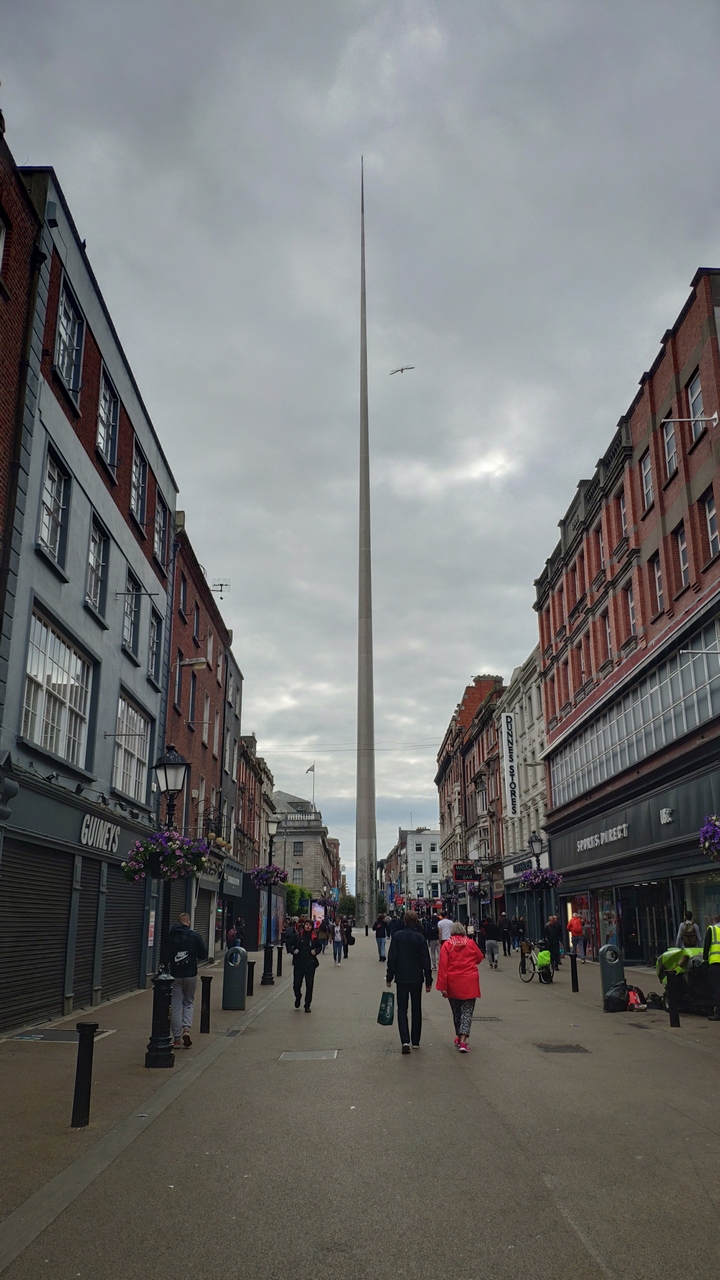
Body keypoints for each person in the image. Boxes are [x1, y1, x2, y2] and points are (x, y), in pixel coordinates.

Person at [385, 910, 432, 1053]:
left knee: (402, 1008)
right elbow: (426, 960)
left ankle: (405, 1040)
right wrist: (428, 979)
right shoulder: (420, 938)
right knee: (416, 1008)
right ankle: (415, 1041)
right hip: (417, 978)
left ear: (404, 921)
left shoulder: (397, 937)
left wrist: (389, 976)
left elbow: (393, 958)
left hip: (402, 977)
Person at [436, 921, 484, 1052]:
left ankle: (458, 1036)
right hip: (469, 981)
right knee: (467, 1012)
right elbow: (479, 958)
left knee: (456, 1012)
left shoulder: (447, 945)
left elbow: (443, 966)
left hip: (453, 981)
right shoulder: (470, 943)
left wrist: (443, 986)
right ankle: (463, 1041)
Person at [169, 912, 208, 1049]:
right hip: (190, 974)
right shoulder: (194, 936)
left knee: (176, 1005)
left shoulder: (171, 936)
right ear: (188, 922)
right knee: (188, 1002)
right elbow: (204, 954)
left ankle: (177, 1038)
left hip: (175, 975)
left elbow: (166, 955)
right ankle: (186, 1029)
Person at [292, 920, 322, 1011]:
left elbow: (319, 947)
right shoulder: (297, 936)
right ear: (304, 926)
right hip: (299, 964)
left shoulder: (314, 937)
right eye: (307, 925)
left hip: (310, 964)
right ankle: (298, 996)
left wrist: (315, 952)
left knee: (309, 985)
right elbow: (289, 944)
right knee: (296, 985)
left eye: (310, 925)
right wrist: (293, 951)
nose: (308, 926)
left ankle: (307, 1005)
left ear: (312, 927)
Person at [704, 913, 720, 1021]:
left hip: (715, 964)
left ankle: (718, 1013)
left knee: (717, 989)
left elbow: (707, 945)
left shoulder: (712, 929)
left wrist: (705, 959)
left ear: (715, 921)